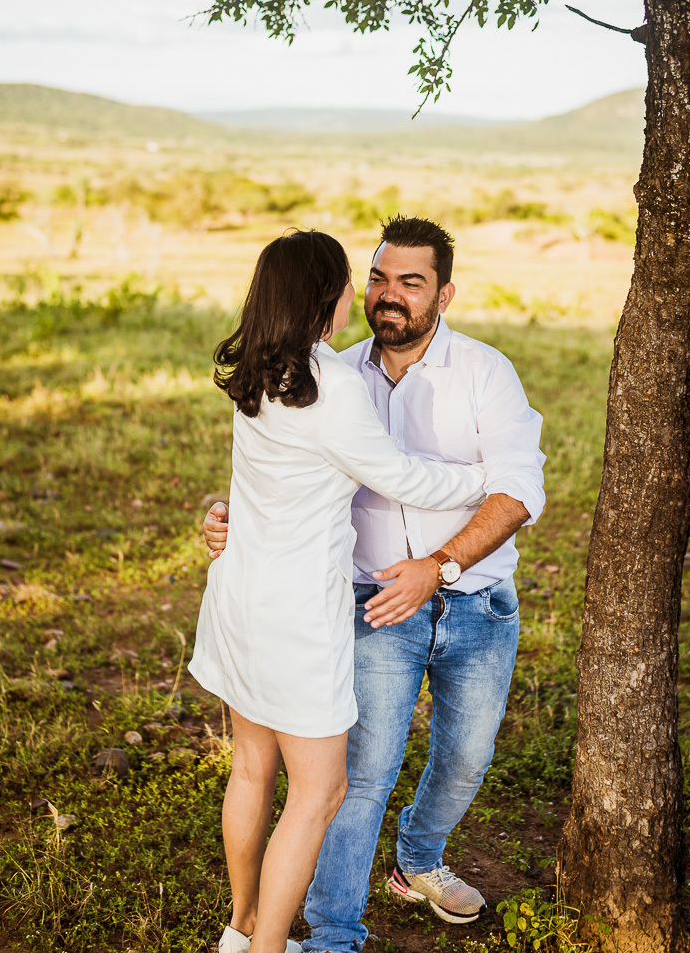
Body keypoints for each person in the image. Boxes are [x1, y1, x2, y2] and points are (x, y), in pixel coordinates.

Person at [203, 217, 544, 953]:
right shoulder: (332, 375)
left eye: (407, 282)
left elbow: (265, 478)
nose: (382, 296)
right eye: (372, 280)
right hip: (345, 607)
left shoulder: (272, 371)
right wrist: (483, 478)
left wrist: (445, 559)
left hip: (447, 599)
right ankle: (320, 937)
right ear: (328, 295)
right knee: (338, 785)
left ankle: (252, 928)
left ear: (443, 292)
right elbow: (398, 475)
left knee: (453, 760)